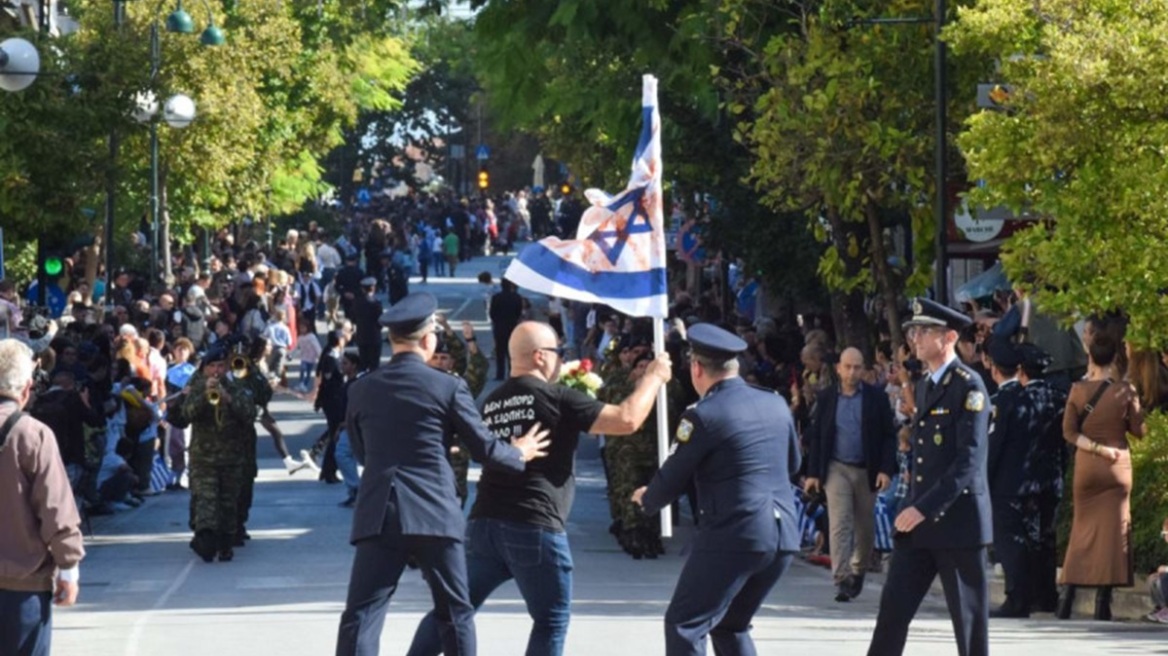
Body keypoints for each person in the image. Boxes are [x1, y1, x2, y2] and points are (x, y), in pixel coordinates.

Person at [407, 320, 673, 656]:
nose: (562, 358)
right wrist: (654, 378)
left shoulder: (493, 400)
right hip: (534, 525)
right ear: (539, 356)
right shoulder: (556, 398)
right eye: (558, 352)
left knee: (452, 610)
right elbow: (626, 419)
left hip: (485, 524)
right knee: (551, 619)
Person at [335, 293, 550, 656]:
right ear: (427, 339)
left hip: (380, 512)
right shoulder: (448, 386)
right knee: (455, 613)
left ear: (392, 340)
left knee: (362, 614)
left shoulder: (361, 389)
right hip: (434, 511)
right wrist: (519, 452)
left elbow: (360, 452)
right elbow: (484, 448)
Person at [627, 324, 799, 656]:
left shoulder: (702, 415)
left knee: (684, 625)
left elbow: (675, 473)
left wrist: (648, 498)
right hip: (782, 535)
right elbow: (791, 464)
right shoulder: (775, 403)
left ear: (696, 368)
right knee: (730, 625)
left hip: (734, 533)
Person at [867, 298, 992, 656]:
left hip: (956, 523)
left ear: (949, 336)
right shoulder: (924, 384)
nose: (915, 338)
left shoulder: (969, 387)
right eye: (913, 331)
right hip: (920, 522)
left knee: (968, 628)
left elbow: (967, 461)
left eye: (924, 331)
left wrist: (922, 508)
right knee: (892, 613)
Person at [0, 338, 85, 656]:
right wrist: (68, 567)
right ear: (26, 388)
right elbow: (56, 508)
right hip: (22, 586)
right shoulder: (32, 434)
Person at [1056, 325, 1145, 621]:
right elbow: (1139, 431)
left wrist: (1094, 447)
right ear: (1115, 357)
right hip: (1117, 464)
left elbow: (1068, 432)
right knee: (1113, 533)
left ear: (1091, 357)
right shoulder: (1125, 391)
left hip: (1087, 467)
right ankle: (1101, 604)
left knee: (1081, 531)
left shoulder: (1078, 390)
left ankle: (1066, 599)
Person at [803, 346, 897, 602]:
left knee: (864, 528)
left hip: (866, 469)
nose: (852, 372)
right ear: (838, 368)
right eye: (847, 366)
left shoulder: (876, 398)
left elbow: (889, 436)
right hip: (836, 468)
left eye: (857, 367)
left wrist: (886, 470)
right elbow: (818, 437)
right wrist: (813, 473)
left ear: (864, 369)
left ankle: (858, 570)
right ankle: (842, 577)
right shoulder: (826, 398)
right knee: (840, 522)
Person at [183, 345, 256, 563]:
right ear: (205, 368)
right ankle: (205, 541)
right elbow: (186, 414)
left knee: (227, 505)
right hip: (203, 458)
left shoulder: (235, 387)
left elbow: (250, 414)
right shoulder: (196, 387)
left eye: (221, 366)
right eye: (212, 366)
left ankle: (225, 544)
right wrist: (204, 396)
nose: (217, 370)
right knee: (206, 501)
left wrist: (228, 399)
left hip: (232, 458)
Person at [1015, 342, 1068, 615]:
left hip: (1026, 478)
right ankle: (1048, 594)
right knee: (1048, 536)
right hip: (1052, 475)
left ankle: (1033, 593)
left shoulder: (1019, 399)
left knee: (1029, 537)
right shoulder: (1059, 397)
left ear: (1022, 371)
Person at [983, 339, 1031, 617]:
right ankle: (1026, 595)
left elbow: (994, 445)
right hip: (1029, 480)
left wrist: (984, 481)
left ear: (994, 370)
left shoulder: (1000, 403)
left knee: (1009, 542)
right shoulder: (1027, 395)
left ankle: (1016, 598)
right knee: (1024, 541)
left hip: (1005, 483)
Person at [488, 279, 524, 380]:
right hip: (512, 326)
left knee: (500, 351)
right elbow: (519, 312)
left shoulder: (496, 297)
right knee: (511, 351)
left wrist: (497, 321)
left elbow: (492, 313)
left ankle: (500, 374)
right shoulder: (517, 297)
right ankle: (512, 372)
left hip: (499, 326)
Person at [352, 277, 383, 373]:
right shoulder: (376, 303)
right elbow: (380, 321)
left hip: (362, 336)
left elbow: (353, 318)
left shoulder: (357, 302)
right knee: (374, 365)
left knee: (363, 363)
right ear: (373, 288)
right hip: (374, 337)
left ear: (362, 289)